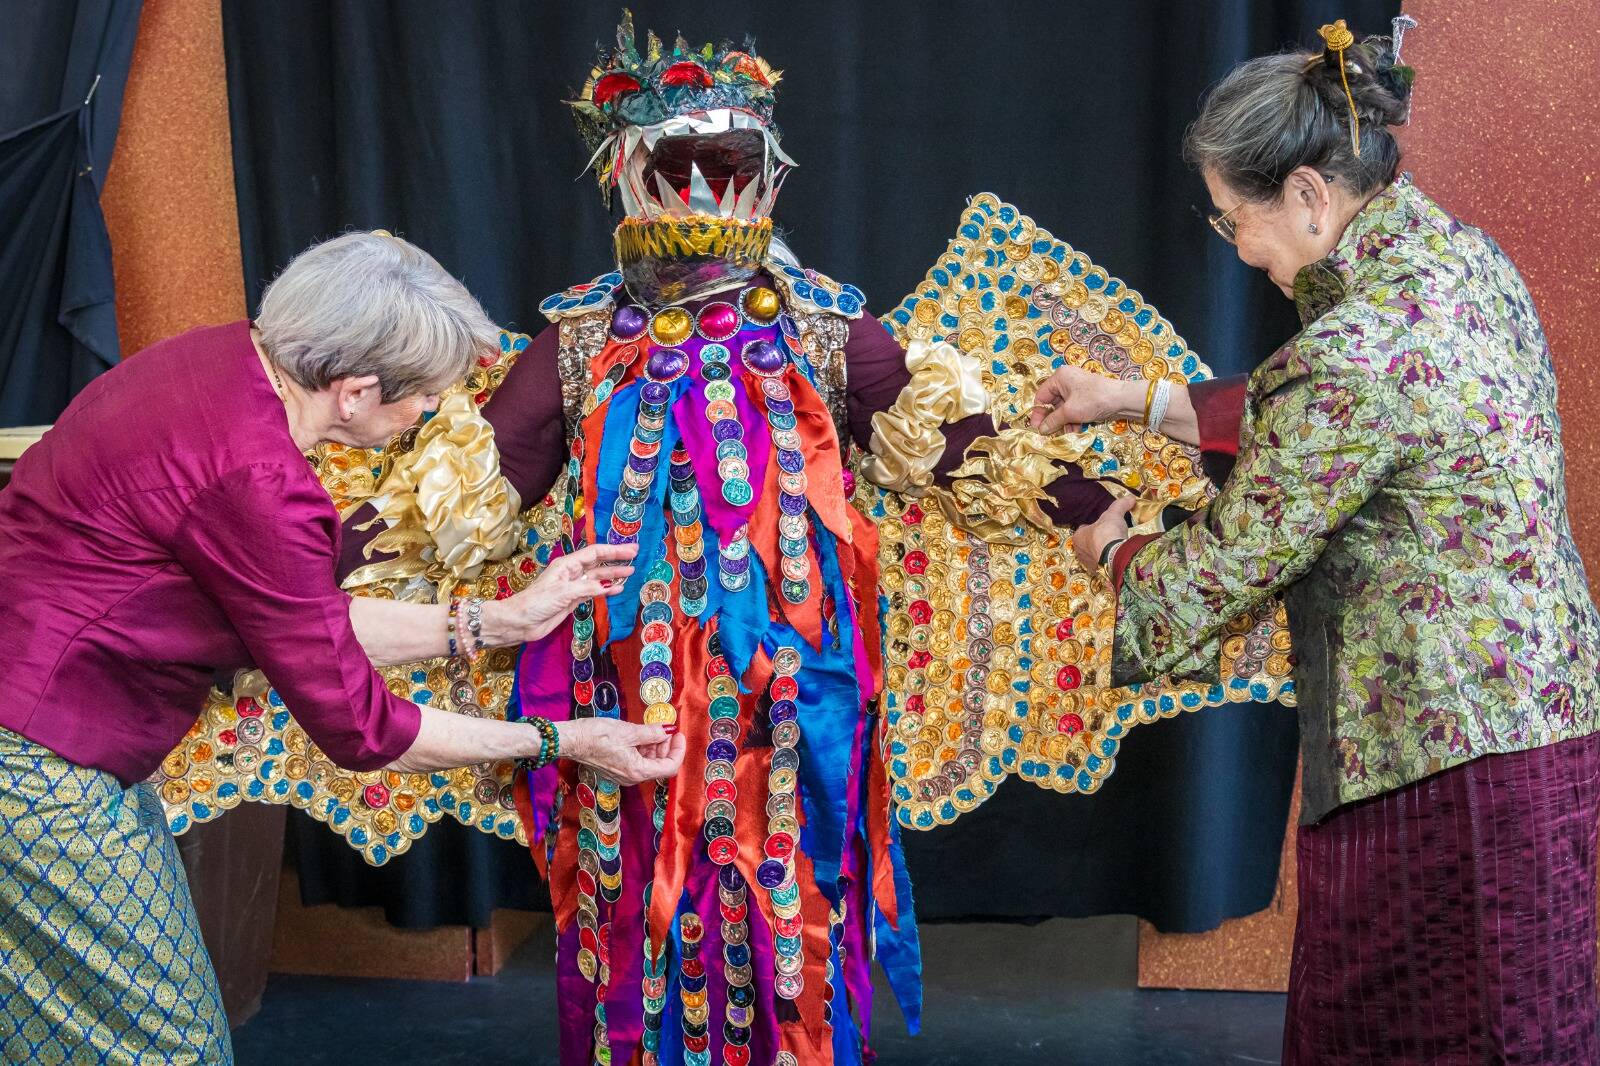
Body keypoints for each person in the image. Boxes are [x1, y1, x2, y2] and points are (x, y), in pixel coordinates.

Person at [1037, 19, 1600, 1065]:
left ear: (1305, 196)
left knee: (1419, 1037)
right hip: (1540, 722)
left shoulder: (1353, 347)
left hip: (1434, 757)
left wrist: (1107, 542)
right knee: (1533, 1025)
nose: (1238, 248)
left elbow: (1210, 576)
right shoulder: (1460, 264)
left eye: (1230, 220)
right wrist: (1126, 397)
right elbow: (1328, 426)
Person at [0, 232, 684, 1064]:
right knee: (168, 1046)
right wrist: (565, 743)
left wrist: (495, 621)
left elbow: (301, 618)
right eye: (426, 399)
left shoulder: (211, 363)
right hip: (36, 761)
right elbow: (366, 732)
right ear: (355, 391)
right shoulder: (259, 479)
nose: (430, 415)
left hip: (41, 738)